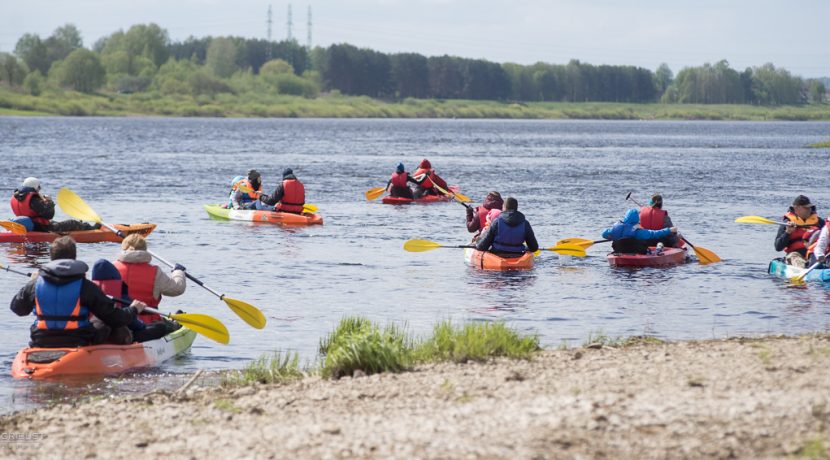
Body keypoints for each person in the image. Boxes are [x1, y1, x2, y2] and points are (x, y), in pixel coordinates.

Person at [10, 236, 146, 348]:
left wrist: (32, 282)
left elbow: (17, 309)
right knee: (103, 320)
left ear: (51, 257)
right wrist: (133, 309)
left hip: (41, 340)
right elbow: (115, 318)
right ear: (74, 257)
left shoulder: (35, 285)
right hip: (78, 341)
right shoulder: (86, 286)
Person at [112, 234, 186, 330]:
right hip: (148, 324)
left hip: (118, 322)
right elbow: (177, 288)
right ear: (145, 250)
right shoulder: (155, 272)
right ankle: (176, 325)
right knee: (173, 323)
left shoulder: (111, 267)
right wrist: (178, 271)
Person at [91, 259, 175, 343]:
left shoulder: (87, 293)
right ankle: (173, 326)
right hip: (122, 339)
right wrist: (137, 314)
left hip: (94, 337)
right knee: (160, 327)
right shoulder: (120, 295)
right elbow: (136, 325)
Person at [10, 177, 100, 233]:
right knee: (72, 223)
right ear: (35, 187)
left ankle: (83, 225)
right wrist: (49, 202)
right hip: (42, 228)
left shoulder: (17, 197)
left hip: (30, 226)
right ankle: (91, 229)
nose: (39, 190)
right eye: (39, 188)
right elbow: (50, 215)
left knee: (55, 222)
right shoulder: (34, 200)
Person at [774, 195, 824, 268]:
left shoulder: (819, 222)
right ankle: (803, 270)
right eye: (806, 208)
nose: (809, 210)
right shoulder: (787, 222)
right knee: (796, 259)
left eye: (810, 207)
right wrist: (788, 232)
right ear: (796, 208)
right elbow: (778, 247)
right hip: (795, 254)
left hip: (814, 253)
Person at [602, 208, 678, 254]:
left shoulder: (614, 230)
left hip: (620, 251)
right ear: (637, 219)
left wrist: (612, 233)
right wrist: (669, 230)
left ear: (625, 217)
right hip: (636, 252)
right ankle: (659, 247)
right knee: (660, 244)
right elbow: (654, 234)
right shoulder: (638, 232)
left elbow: (604, 234)